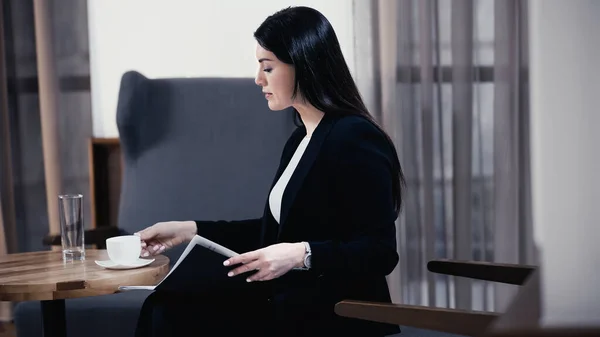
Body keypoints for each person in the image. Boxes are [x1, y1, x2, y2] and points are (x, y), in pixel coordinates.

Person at [134, 6, 405, 337]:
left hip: (333, 314)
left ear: (303, 65)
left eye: (268, 67)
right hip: (292, 303)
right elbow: (273, 233)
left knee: (172, 315)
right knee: (165, 305)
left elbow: (379, 252)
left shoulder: (354, 137)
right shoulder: (300, 138)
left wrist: (300, 255)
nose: (258, 79)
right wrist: (189, 230)